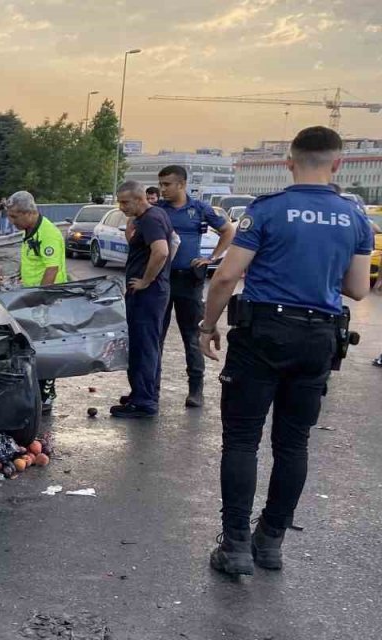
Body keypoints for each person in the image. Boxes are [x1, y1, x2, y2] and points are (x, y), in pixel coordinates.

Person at [199, 126, 373, 576]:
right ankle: (270, 542)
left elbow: (224, 277)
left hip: (263, 334)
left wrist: (207, 326)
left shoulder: (268, 211)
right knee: (293, 444)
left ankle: (235, 546)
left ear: (289, 162)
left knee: (241, 439)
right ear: (338, 164)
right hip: (320, 338)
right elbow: (356, 288)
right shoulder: (355, 218)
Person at [156, 165, 236, 408]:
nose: (162, 189)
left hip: (189, 280)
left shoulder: (199, 209)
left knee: (191, 335)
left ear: (182, 184)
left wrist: (212, 258)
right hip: (162, 278)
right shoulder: (158, 210)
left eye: (167, 184)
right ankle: (151, 388)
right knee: (155, 336)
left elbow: (228, 231)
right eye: (160, 184)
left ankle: (196, 390)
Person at [111, 180, 172, 419]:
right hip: (154, 291)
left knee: (143, 346)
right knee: (148, 344)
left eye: (125, 202)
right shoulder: (156, 215)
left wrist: (147, 280)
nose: (121, 207)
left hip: (147, 293)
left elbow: (163, 251)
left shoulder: (151, 219)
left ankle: (144, 402)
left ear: (139, 199)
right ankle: (143, 393)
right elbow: (172, 245)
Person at [5, 190, 68, 413]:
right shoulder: (30, 230)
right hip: (32, 297)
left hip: (46, 299)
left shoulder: (47, 233)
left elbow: (51, 269)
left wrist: (39, 298)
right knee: (31, 347)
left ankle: (47, 395)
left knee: (45, 348)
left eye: (14, 217)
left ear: (28, 212)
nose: (11, 222)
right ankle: (34, 390)